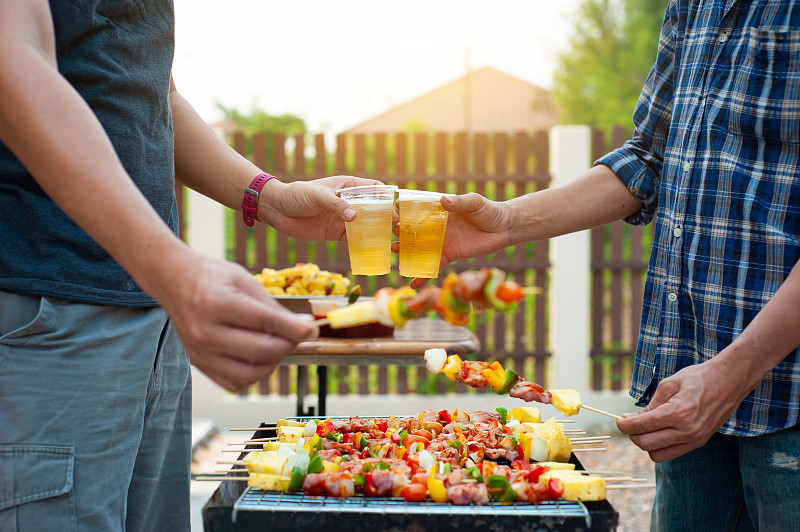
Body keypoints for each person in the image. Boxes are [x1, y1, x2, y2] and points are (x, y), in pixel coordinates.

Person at [414, 1, 800, 530]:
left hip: (789, 400)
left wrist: (735, 371)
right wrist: (502, 222)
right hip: (683, 385)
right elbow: (647, 157)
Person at [0, 1, 385, 530]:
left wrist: (269, 197)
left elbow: (157, 94)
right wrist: (172, 268)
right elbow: (14, 62)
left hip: (153, 321)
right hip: (49, 312)